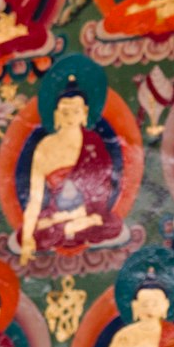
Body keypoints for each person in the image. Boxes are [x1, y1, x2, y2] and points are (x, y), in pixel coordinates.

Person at [20, 73, 121, 261]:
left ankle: (68, 228)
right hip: (57, 213)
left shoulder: (93, 143)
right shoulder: (45, 147)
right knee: (30, 233)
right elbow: (35, 198)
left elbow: (103, 188)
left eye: (76, 111)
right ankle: (68, 228)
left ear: (84, 113)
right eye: (65, 112)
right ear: (56, 114)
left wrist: (83, 214)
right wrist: (27, 238)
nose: (70, 117)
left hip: (86, 213)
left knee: (112, 224)